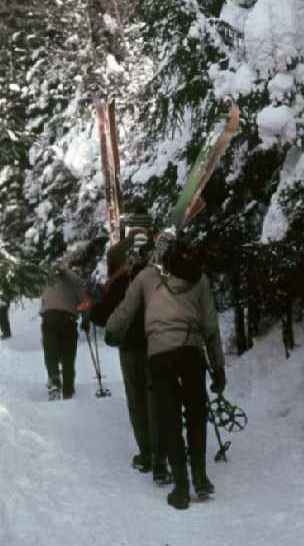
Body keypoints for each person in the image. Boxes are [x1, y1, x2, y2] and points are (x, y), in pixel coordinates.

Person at [105, 233, 226, 510]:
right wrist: (218, 367)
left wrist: (112, 332)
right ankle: (201, 477)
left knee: (169, 417)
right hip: (192, 353)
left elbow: (125, 311)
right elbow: (211, 326)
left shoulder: (146, 277)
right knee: (196, 413)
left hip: (160, 354)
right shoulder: (199, 277)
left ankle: (181, 488)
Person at [89, 208, 171, 486]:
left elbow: (103, 312)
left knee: (138, 403)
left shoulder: (116, 256)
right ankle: (165, 457)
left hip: (131, 344)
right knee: (161, 399)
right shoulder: (164, 256)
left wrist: (97, 307)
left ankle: (147, 455)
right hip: (162, 342)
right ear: (150, 228)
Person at [39, 252, 88, 400]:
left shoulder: (48, 279)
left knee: (50, 352)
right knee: (68, 357)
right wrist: (85, 319)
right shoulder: (76, 282)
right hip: (68, 319)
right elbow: (85, 303)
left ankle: (54, 381)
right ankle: (68, 390)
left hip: (49, 318)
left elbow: (40, 294)